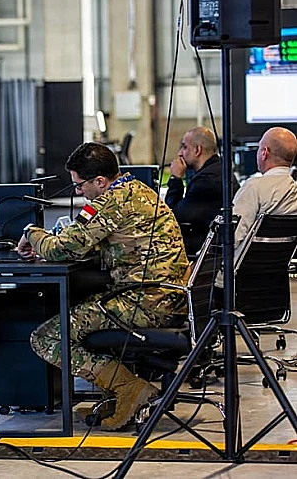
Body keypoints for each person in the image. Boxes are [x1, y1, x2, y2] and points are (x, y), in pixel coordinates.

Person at [17, 142, 189, 431]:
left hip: (144, 304)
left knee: (46, 338)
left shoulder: (111, 201)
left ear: (100, 181)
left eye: (79, 185)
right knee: (80, 308)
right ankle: (119, 392)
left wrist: (31, 232)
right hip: (169, 299)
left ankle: (128, 388)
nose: (77, 192)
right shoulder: (141, 192)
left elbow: (62, 249)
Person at [165, 126, 238, 255]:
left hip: (202, 254)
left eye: (184, 147)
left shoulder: (207, 182)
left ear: (197, 150)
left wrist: (175, 179)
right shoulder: (219, 170)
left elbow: (172, 217)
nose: (180, 153)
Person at [232, 127, 297, 247]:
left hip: (244, 264)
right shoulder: (294, 191)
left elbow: (232, 238)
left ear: (264, 153)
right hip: (281, 264)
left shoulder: (253, 187)